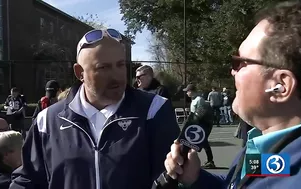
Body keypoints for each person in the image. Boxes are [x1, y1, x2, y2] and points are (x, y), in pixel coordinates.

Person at [10, 28, 180, 189]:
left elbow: (174, 178)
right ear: (80, 73)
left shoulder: (154, 110)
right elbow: (27, 179)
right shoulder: (46, 121)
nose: (117, 76)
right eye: (103, 67)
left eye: (120, 64)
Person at [164, 1, 301, 189]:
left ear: (280, 86)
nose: (232, 72)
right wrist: (196, 178)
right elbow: (237, 185)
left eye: (239, 63)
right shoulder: (272, 150)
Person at [183, 84, 215, 168]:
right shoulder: (193, 100)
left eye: (187, 91)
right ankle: (208, 160)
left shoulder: (199, 99)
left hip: (201, 124)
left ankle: (210, 161)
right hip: (196, 124)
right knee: (200, 142)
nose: (186, 93)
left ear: (191, 91)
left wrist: (194, 121)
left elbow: (200, 112)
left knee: (203, 142)